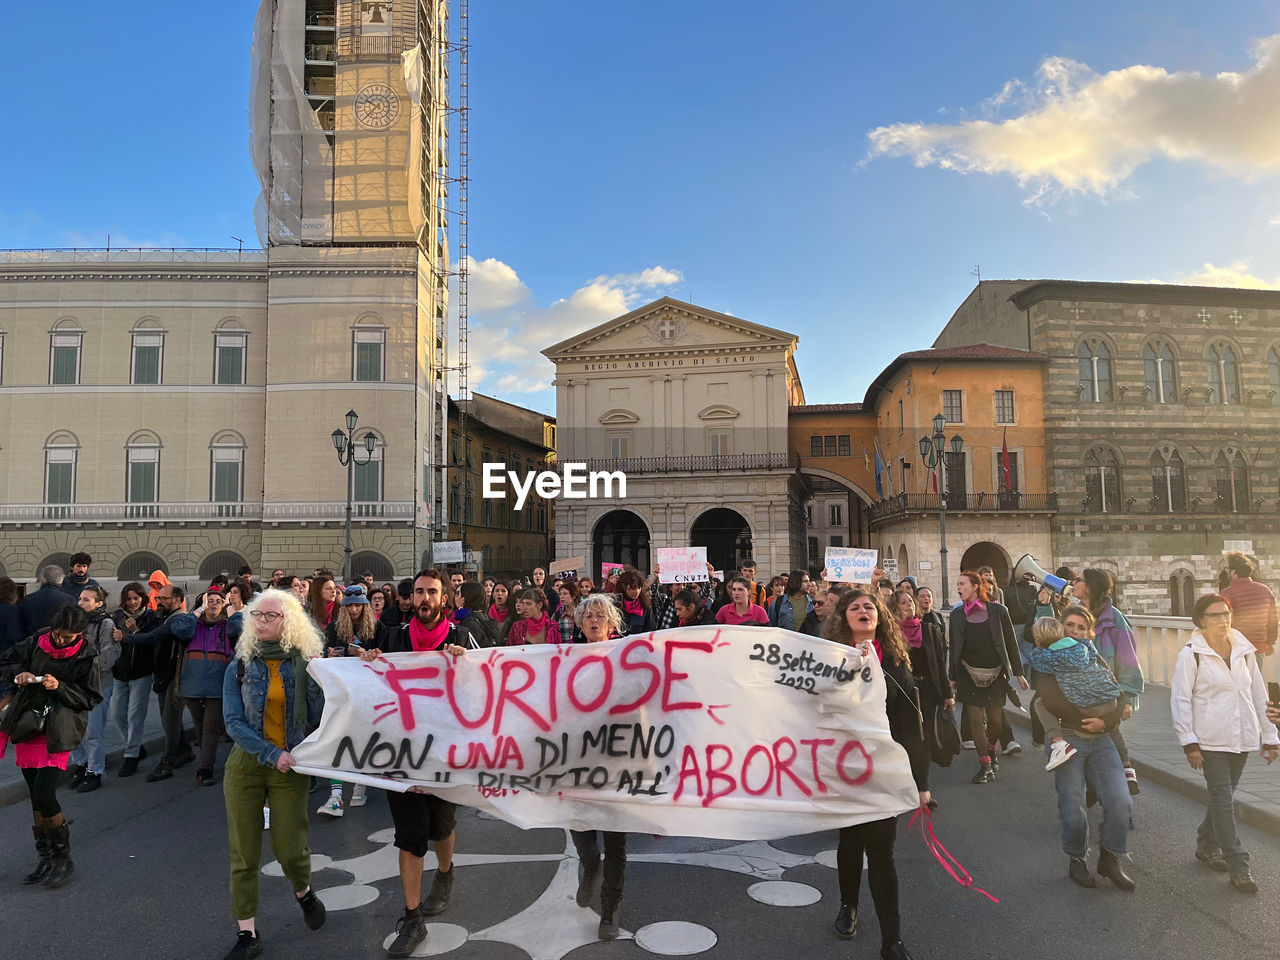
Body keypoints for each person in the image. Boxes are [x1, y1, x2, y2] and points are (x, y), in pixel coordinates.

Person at [358, 570, 467, 958]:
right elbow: (375, 683)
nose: (424, 598)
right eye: (419, 592)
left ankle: (446, 871)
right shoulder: (394, 638)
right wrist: (370, 662)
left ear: (445, 599)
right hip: (401, 755)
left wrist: (465, 665)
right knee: (410, 834)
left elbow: (485, 687)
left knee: (441, 827)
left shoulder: (460, 638)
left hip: (444, 756)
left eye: (432, 593)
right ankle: (412, 917)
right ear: (411, 598)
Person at [221, 588, 327, 959]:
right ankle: (247, 933)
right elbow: (233, 722)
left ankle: (303, 891)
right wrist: (270, 753)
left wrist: (326, 671)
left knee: (288, 848)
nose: (262, 622)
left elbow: (321, 716)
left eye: (270, 616)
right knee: (243, 853)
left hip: (290, 765)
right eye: (257, 616)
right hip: (248, 764)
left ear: (289, 621)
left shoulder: (305, 663)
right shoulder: (239, 664)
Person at [824, 588, 928, 960]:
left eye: (870, 606)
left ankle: (892, 941)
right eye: (855, 607)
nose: (864, 611)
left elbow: (909, 722)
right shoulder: (829, 660)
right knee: (850, 842)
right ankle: (848, 905)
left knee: (882, 853)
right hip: (845, 768)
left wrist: (922, 782)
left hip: (883, 769)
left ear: (880, 616)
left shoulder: (896, 662)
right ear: (843, 618)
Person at [1170, 593, 1278, 894]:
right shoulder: (1192, 654)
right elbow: (1180, 699)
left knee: (1224, 795)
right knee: (1223, 797)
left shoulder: (1244, 650)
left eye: (1226, 613)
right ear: (1201, 621)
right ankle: (1238, 864)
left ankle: (1206, 844)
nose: (1222, 620)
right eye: (1215, 615)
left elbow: (1258, 695)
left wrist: (1270, 737)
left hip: (1242, 737)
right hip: (1210, 739)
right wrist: (1189, 742)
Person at [1032, 605, 1135, 890]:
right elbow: (1049, 701)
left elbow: (1116, 692)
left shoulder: (1092, 655)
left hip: (1102, 740)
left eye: (1081, 627)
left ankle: (1110, 857)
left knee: (1121, 802)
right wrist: (1088, 718)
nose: (1075, 632)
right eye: (1070, 626)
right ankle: (1077, 859)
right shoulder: (1045, 659)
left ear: (1089, 631)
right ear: (1059, 627)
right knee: (1073, 807)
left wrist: (1105, 722)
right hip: (1068, 738)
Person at [0, 604, 102, 889]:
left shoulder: (87, 656)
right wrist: (20, 672)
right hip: (29, 723)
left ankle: (62, 858)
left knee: (45, 793)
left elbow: (90, 697)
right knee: (35, 795)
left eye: (67, 637)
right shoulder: (38, 640)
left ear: (80, 634)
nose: (60, 640)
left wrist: (59, 686)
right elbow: (6, 661)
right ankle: (44, 855)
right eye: (58, 634)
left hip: (59, 727)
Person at [569, 594, 630, 938]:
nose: (594, 621)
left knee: (617, 838)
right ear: (580, 623)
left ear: (610, 624)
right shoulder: (564, 658)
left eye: (599, 616)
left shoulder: (626, 655)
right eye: (588, 616)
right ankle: (590, 862)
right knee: (578, 824)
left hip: (620, 758)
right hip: (577, 757)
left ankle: (610, 907)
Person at [949, 570, 1026, 783]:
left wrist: (1019, 673)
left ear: (975, 586)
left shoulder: (998, 611)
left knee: (995, 720)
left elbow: (1010, 642)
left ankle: (992, 750)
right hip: (967, 672)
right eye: (957, 584)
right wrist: (953, 675)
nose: (958, 588)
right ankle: (985, 764)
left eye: (962, 583)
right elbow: (955, 646)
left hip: (995, 673)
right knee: (975, 719)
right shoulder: (956, 614)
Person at [1072, 568, 1144, 794]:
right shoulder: (1074, 615)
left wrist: (1129, 698)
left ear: (1090, 588)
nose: (1074, 582)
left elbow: (1129, 659)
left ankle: (1122, 775)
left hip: (1109, 694)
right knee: (1089, 740)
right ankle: (1104, 785)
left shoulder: (1115, 620)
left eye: (1079, 580)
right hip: (1079, 693)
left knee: (1107, 733)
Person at [1028, 617, 1124, 770]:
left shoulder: (1045, 657)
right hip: (1111, 701)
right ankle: (1126, 766)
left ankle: (1059, 744)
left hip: (1087, 709)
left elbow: (1040, 679)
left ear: (1038, 640)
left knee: (1039, 704)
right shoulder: (1084, 646)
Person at [317, 585, 377, 816]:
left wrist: (366, 654)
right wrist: (329, 655)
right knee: (337, 739)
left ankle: (360, 785)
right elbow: (321, 653)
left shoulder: (376, 627)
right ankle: (336, 795)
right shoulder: (334, 628)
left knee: (362, 739)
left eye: (358, 605)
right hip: (340, 690)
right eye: (349, 605)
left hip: (366, 691)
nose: (353, 610)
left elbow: (385, 655)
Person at [180, 585, 244, 785]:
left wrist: (229, 607)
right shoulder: (193, 625)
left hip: (218, 685)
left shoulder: (227, 626)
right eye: (210, 600)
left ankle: (205, 768)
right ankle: (206, 757)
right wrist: (198, 610)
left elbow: (240, 626)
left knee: (210, 728)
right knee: (200, 727)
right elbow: (180, 629)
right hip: (192, 685)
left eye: (218, 601)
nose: (214, 604)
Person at [66, 585, 119, 793]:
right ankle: (81, 764)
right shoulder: (75, 622)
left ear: (99, 603)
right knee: (72, 728)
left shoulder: (105, 623)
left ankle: (95, 770)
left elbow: (107, 657)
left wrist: (82, 666)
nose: (81, 602)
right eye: (80, 598)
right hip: (74, 684)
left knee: (93, 730)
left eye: (87, 600)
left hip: (97, 684)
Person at [894, 591, 951, 773]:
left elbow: (940, 663)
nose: (909, 604)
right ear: (896, 608)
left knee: (925, 727)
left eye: (910, 601)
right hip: (905, 689)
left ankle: (923, 768)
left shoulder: (929, 630)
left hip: (927, 688)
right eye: (903, 602)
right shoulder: (893, 632)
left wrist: (947, 693)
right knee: (909, 729)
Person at [111, 582, 156, 778]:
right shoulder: (117, 616)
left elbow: (151, 641)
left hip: (141, 672)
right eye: (128, 599)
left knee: (135, 715)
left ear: (142, 598)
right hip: (120, 672)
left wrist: (135, 631)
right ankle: (136, 747)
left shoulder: (150, 617)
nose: (132, 603)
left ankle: (131, 755)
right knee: (118, 714)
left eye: (136, 598)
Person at [1220, 551, 1277, 657]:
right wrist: (1270, 642)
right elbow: (1273, 620)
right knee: (1255, 674)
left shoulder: (1226, 593)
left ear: (1233, 572)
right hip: (1259, 648)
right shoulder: (1265, 590)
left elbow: (1223, 621)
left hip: (1236, 648)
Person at [18, 566, 74, 636]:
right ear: (61, 579)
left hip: (33, 642)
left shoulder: (27, 599)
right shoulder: (69, 600)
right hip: (59, 642)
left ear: (42, 579)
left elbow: (20, 626)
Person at [770, 569, 818, 635]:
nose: (809, 584)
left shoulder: (813, 604)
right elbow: (771, 627)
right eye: (806, 581)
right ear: (796, 582)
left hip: (807, 643)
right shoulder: (778, 603)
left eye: (809, 581)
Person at [454, 581, 501, 648]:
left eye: (458, 594)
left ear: (464, 599)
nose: (455, 597)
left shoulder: (467, 623)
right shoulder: (486, 617)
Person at [612, 569, 654, 635]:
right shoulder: (614, 607)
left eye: (639, 587)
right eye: (632, 588)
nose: (636, 591)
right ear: (624, 587)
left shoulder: (645, 606)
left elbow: (650, 630)